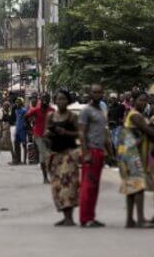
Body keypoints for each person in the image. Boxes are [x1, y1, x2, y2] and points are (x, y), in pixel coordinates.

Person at [120, 92, 154, 228]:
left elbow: (150, 131)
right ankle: (140, 219)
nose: (143, 103)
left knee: (132, 186)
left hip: (134, 153)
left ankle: (130, 220)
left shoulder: (140, 115)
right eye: (140, 100)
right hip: (132, 154)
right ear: (134, 101)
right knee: (138, 187)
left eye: (145, 101)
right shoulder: (135, 115)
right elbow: (148, 131)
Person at [45, 89, 80, 226]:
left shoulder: (72, 117)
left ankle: (70, 217)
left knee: (68, 185)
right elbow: (46, 134)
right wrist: (49, 134)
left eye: (63, 99)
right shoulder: (51, 116)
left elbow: (79, 133)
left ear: (68, 101)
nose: (61, 102)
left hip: (69, 154)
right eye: (58, 99)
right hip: (55, 155)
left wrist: (66, 132)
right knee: (57, 186)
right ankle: (65, 216)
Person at [78, 84, 110, 228]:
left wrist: (108, 150)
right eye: (94, 92)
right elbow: (81, 133)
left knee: (95, 186)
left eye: (99, 92)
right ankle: (85, 218)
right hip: (90, 151)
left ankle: (91, 216)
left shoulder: (102, 109)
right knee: (88, 185)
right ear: (90, 94)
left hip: (100, 150)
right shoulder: (86, 111)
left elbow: (104, 131)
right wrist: (85, 153)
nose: (97, 94)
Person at [24, 94, 49, 183]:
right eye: (43, 99)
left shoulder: (52, 110)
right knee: (43, 154)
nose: (45, 100)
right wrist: (29, 128)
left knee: (49, 155)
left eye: (47, 98)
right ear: (40, 100)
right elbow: (26, 117)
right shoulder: (36, 110)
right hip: (38, 135)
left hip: (50, 136)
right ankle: (45, 177)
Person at [12, 98, 29, 165]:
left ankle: (24, 160)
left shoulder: (24, 110)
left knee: (24, 145)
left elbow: (27, 119)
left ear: (21, 103)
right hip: (17, 129)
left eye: (18, 102)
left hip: (23, 129)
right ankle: (18, 160)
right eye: (16, 102)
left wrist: (26, 127)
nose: (17, 104)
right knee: (16, 145)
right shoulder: (16, 110)